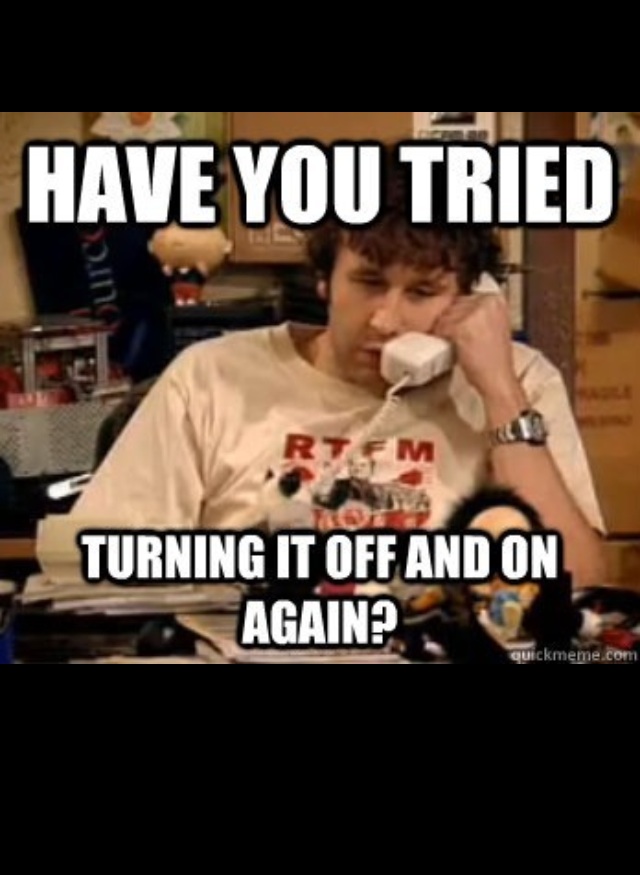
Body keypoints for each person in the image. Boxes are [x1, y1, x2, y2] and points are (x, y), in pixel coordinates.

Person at [71, 146, 607, 588]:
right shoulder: (210, 378)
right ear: (325, 279)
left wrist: (500, 394)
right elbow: (94, 568)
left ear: (471, 298)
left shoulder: (518, 381)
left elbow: (580, 583)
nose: (386, 321)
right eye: (369, 282)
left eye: (422, 292)